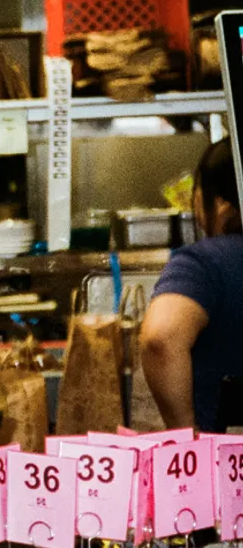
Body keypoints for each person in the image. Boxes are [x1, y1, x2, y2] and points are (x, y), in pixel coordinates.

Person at [141, 138, 243, 431]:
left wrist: (187, 436)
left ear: (221, 203)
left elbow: (161, 337)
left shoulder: (206, 263)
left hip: (225, 461)